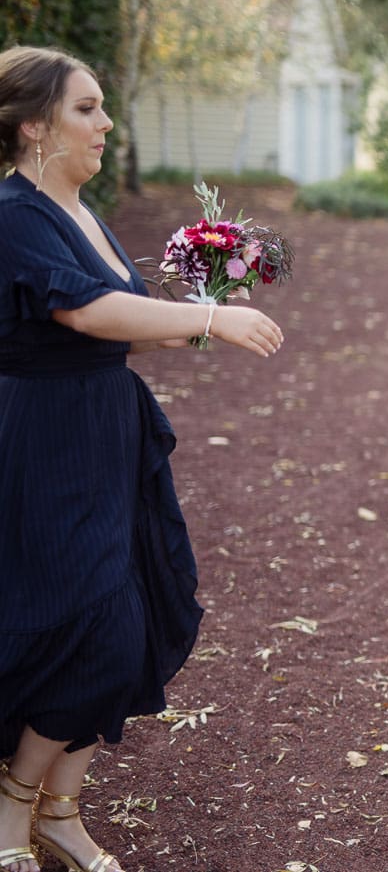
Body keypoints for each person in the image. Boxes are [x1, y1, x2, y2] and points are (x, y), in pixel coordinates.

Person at [0, 46, 284, 872]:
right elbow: (87, 312)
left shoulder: (83, 210)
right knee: (82, 623)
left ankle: (61, 810)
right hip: (47, 439)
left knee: (131, 617)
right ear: (33, 125)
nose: (105, 123)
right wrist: (206, 319)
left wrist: (206, 294)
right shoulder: (15, 213)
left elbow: (116, 316)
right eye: (86, 109)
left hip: (108, 432)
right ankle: (14, 804)